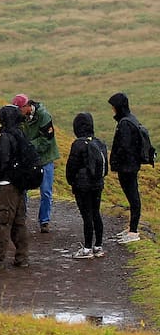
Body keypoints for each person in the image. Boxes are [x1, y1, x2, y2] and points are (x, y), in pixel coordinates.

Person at [0, 104, 31, 268]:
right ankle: (22, 258)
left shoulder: (6, 137)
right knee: (19, 222)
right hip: (19, 185)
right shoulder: (21, 133)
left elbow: (3, 160)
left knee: (1, 222)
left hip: (5, 186)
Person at [13, 93, 60, 233]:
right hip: (27, 158)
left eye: (20, 108)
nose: (18, 111)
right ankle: (22, 218)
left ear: (27, 106)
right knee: (23, 189)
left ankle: (44, 221)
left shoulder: (44, 116)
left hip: (44, 158)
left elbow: (47, 140)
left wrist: (27, 146)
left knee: (45, 191)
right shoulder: (19, 117)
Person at [65, 112, 109, 258]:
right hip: (97, 184)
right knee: (96, 213)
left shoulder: (78, 144)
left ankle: (87, 249)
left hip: (82, 186)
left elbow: (71, 166)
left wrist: (72, 181)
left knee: (87, 216)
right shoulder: (99, 143)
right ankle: (98, 246)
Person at [109, 92, 145, 244]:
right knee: (133, 197)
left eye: (113, 107)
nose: (112, 110)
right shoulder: (131, 119)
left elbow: (124, 147)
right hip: (131, 165)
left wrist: (117, 163)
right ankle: (132, 228)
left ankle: (134, 231)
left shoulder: (124, 123)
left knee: (133, 197)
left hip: (127, 167)